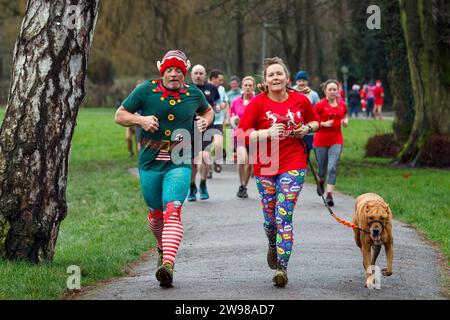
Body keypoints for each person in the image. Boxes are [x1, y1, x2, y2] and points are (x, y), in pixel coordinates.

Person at [114, 50, 214, 287]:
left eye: (178, 70)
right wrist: (141, 120)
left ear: (184, 72)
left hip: (179, 159)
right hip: (149, 161)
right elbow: (119, 115)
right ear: (163, 72)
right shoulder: (146, 90)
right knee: (155, 216)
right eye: (169, 70)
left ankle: (167, 263)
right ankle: (162, 248)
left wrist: (205, 121)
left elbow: (207, 110)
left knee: (173, 210)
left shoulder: (193, 93)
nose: (174, 74)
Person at [238, 57, 320, 287]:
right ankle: (272, 244)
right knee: (270, 219)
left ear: (287, 78)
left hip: (293, 163)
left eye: (279, 74)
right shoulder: (257, 103)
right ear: (265, 81)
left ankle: (282, 268)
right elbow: (241, 133)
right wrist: (266, 133)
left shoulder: (301, 100)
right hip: (265, 164)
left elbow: (316, 121)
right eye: (271, 75)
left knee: (284, 216)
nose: (275, 78)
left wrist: (306, 128)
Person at [313, 79, 348, 207]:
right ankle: (321, 181)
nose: (332, 91)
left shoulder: (342, 105)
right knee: (322, 171)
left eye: (335, 89)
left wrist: (345, 121)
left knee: (332, 167)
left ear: (337, 91)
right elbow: (311, 120)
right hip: (320, 141)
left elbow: (344, 115)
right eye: (330, 89)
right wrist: (323, 124)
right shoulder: (319, 105)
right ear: (325, 91)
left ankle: (329, 195)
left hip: (336, 140)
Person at [188, 64, 221, 201]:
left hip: (207, 128)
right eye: (195, 73)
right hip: (188, 129)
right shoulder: (186, 89)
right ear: (191, 74)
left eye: (201, 73)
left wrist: (219, 107)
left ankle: (202, 184)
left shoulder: (212, 88)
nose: (198, 75)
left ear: (205, 74)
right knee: (191, 161)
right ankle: (192, 187)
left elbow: (218, 102)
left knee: (204, 156)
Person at [229, 76, 256, 198]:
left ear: (253, 87)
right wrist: (235, 119)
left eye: (250, 85)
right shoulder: (235, 101)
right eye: (246, 85)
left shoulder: (257, 101)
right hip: (239, 133)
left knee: (250, 163)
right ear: (242, 87)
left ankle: (244, 187)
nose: (248, 87)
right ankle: (241, 183)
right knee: (242, 160)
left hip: (253, 134)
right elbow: (231, 118)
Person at [293, 70, 320, 155]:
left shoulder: (313, 94)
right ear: (296, 81)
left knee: (306, 150)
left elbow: (318, 109)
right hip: (294, 128)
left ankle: (304, 167)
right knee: (295, 150)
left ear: (307, 82)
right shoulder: (290, 92)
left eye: (303, 81)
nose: (301, 83)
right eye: (299, 81)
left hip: (308, 128)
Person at [208, 69, 229, 174]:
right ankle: (208, 169)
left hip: (218, 121)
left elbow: (225, 103)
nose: (221, 82)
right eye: (219, 80)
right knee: (206, 147)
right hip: (207, 121)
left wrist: (227, 117)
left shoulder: (222, 89)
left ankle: (216, 160)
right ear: (213, 79)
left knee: (218, 144)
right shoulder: (205, 88)